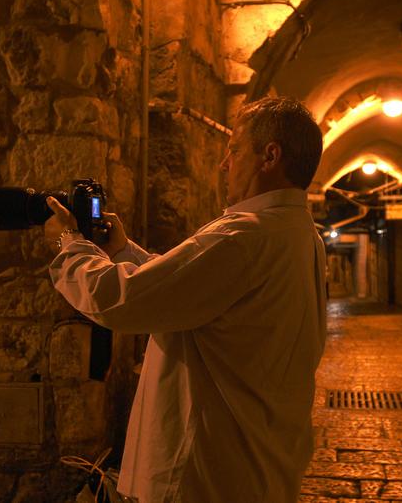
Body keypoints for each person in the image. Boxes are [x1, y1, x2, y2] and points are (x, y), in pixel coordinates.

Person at [44, 97, 327, 503]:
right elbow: (192, 294)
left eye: (233, 150)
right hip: (253, 467)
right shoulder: (298, 234)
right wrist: (125, 252)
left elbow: (118, 300)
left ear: (270, 156)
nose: (223, 164)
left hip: (205, 473)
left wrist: (67, 243)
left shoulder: (245, 235)